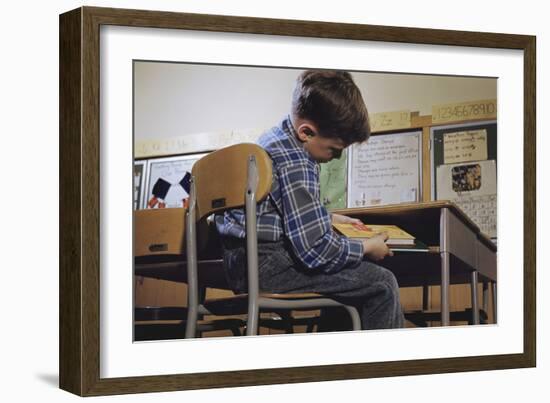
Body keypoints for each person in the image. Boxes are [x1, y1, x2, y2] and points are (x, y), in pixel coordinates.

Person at [215, 70, 404, 330]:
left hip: (242, 265)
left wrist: (329, 217)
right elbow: (315, 250)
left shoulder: (273, 140)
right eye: (334, 149)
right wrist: (366, 248)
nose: (336, 158)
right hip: (269, 269)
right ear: (307, 132)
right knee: (382, 284)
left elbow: (278, 212)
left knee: (349, 282)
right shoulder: (297, 161)